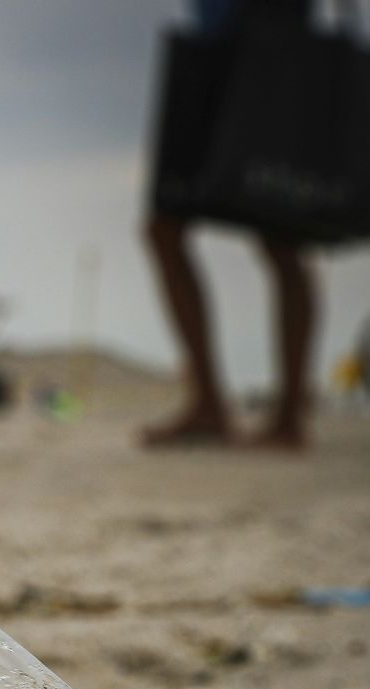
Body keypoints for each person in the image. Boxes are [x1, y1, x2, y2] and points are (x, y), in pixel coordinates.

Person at [143, 0, 318, 449]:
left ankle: (287, 413)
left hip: (272, 47)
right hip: (212, 46)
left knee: (281, 235)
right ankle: (211, 403)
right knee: (166, 227)